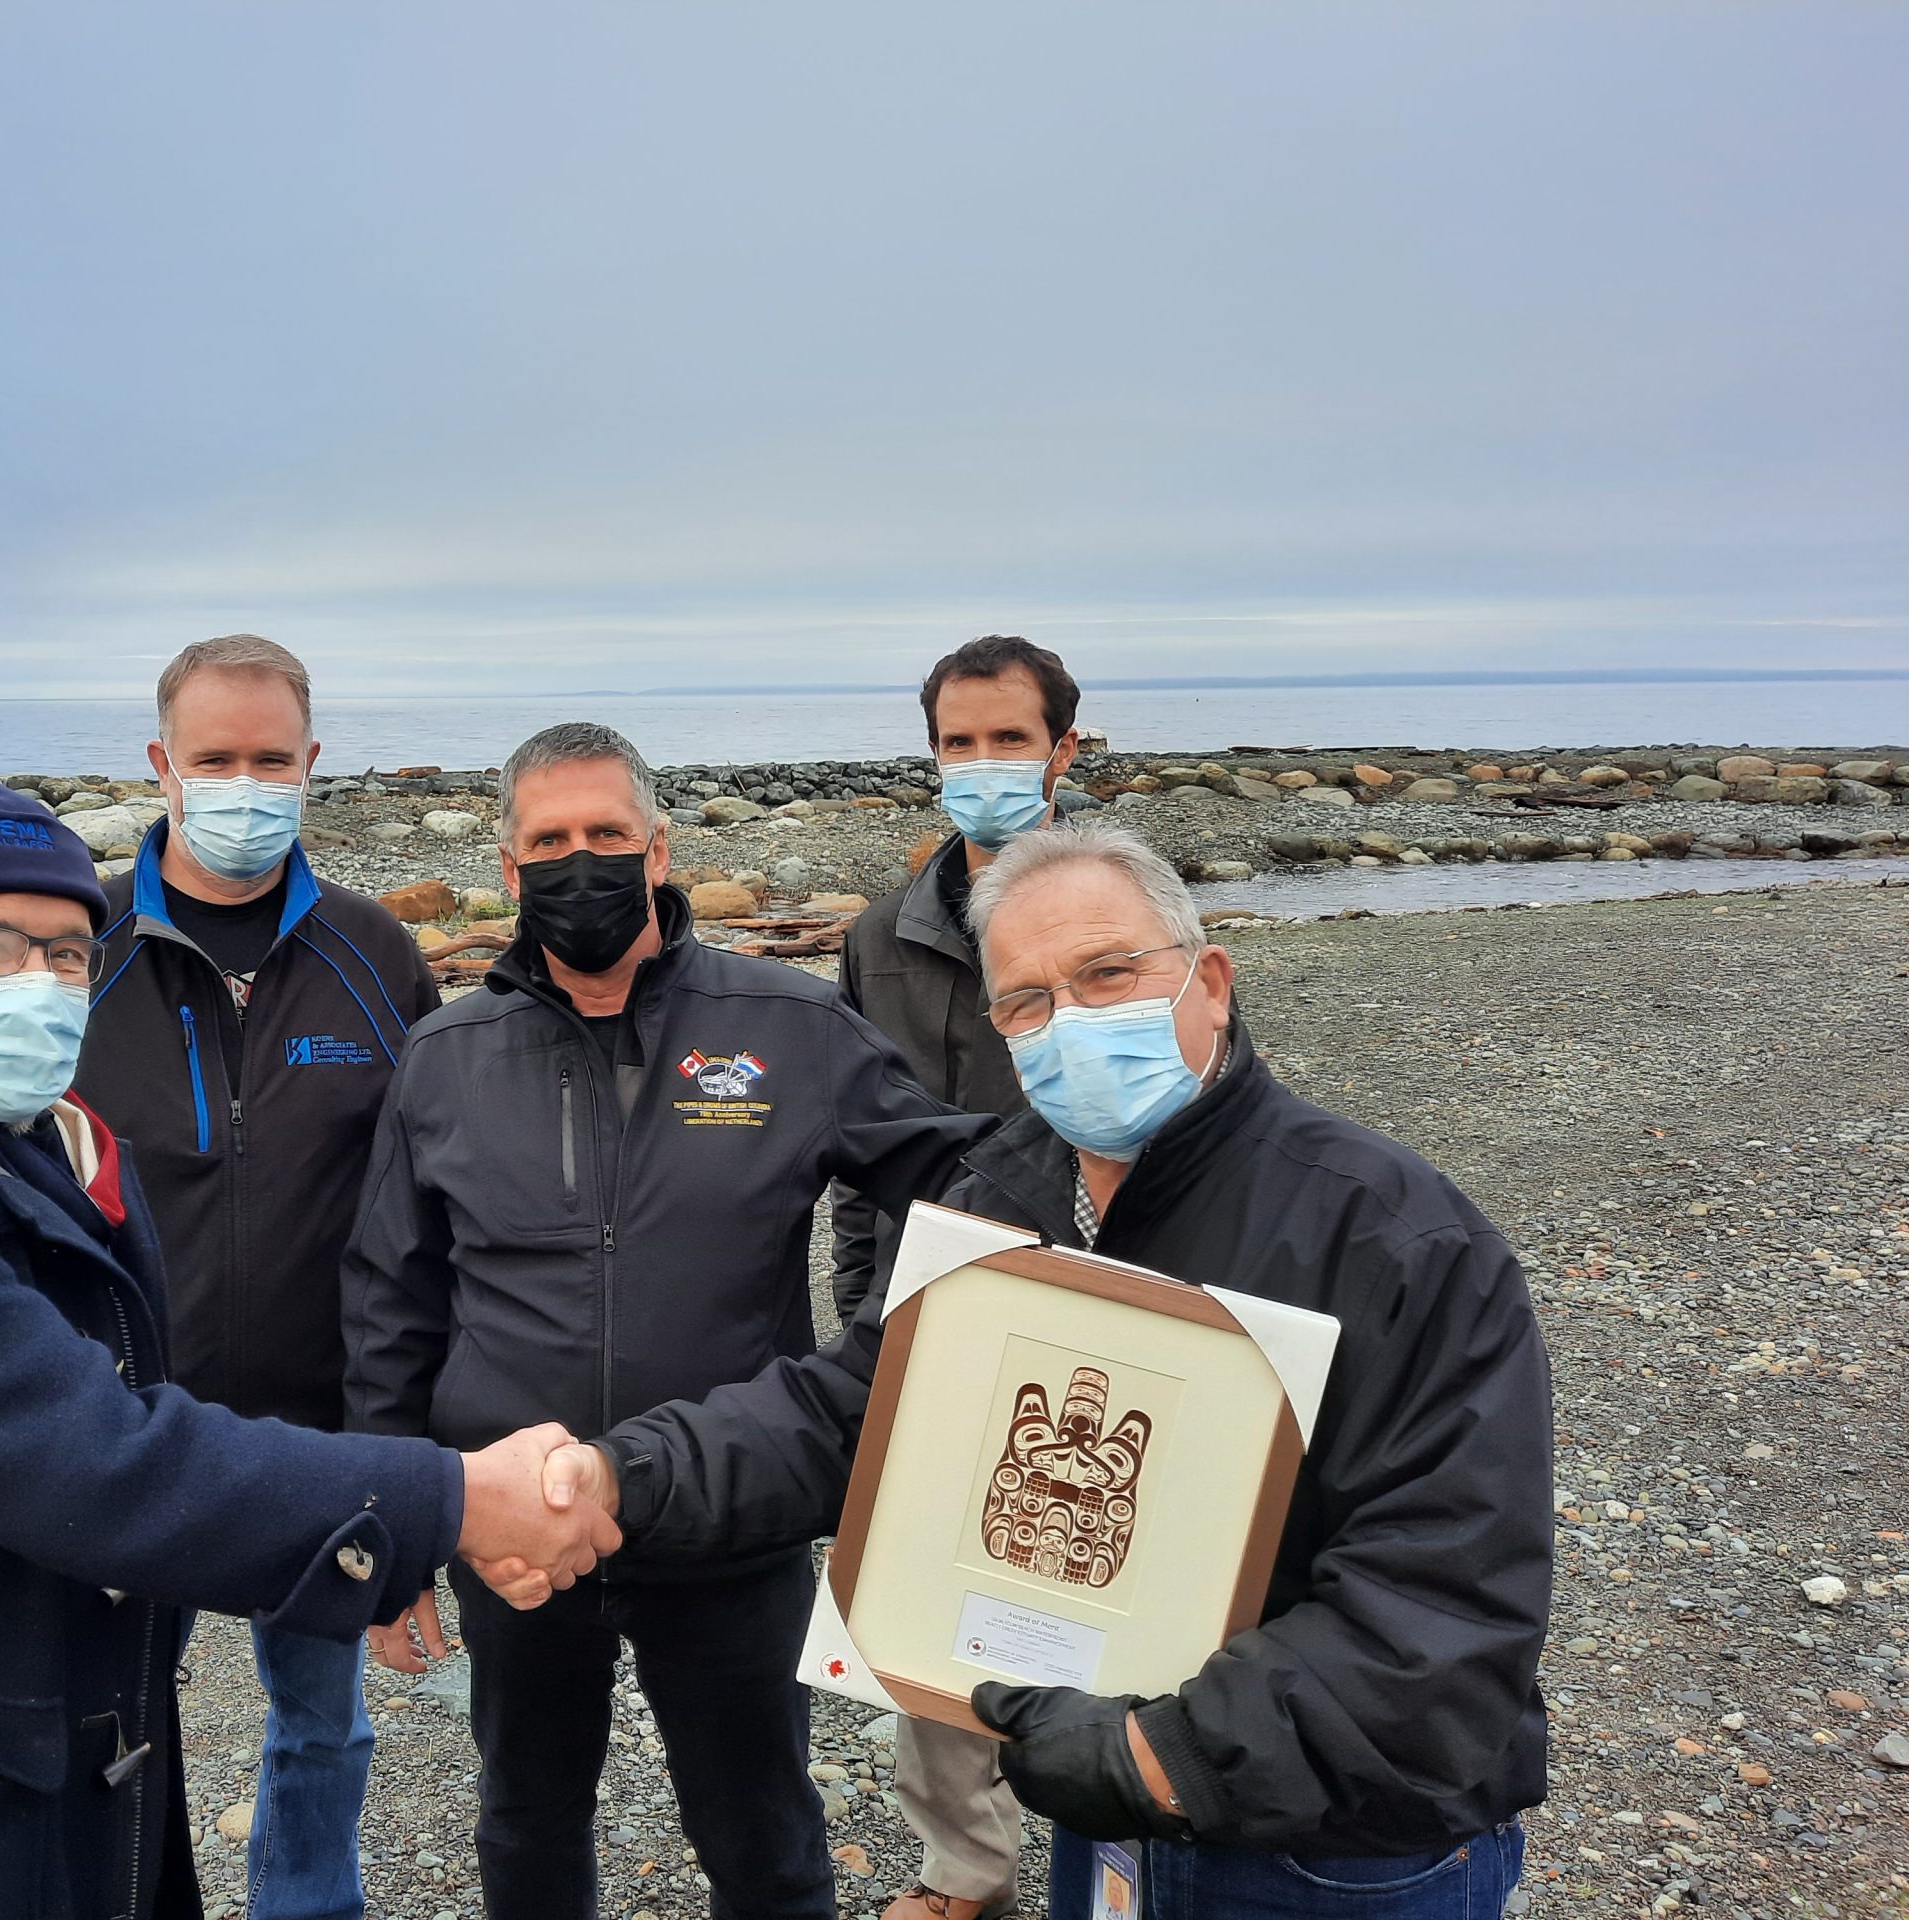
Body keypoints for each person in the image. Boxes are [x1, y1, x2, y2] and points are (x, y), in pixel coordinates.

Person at [0, 775, 616, 1920]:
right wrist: (457, 1498)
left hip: (0, 1776)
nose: (37, 983)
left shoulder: (5, 1144)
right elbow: (97, 1462)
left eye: (68, 953)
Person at [526, 819, 1555, 1920]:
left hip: (1332, 1854)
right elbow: (852, 1414)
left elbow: (1446, 1604)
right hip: (1105, 1816)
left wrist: (1159, 1755)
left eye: (1108, 973)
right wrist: (620, 1477)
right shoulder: (999, 1197)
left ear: (1209, 981)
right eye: (1026, 1002)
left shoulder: (1393, 1239)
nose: (1069, 1021)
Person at [341, 722, 994, 1920]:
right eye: (549, 840)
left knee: (762, 1829)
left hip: (728, 1508)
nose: (577, 861)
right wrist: (393, 1534)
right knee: (527, 1818)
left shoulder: (785, 1025)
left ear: (658, 848)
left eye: (606, 834)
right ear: (505, 865)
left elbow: (964, 1179)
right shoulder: (445, 1055)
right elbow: (391, 1299)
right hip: (516, 1517)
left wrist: (887, 1362)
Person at [74, 635, 439, 1920]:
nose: (243, 782)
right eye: (215, 758)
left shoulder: (376, 954)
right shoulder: (80, 952)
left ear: (311, 764)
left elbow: (429, 1201)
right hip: (125, 1429)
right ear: (161, 764)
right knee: (104, 1721)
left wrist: (415, 1450)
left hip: (321, 1433)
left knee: (323, 1730)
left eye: (269, 759)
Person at [830, 635, 1086, 1920]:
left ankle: (1119, 1846)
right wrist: (860, 1309)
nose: (983, 766)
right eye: (958, 743)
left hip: (1101, 1309)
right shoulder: (879, 937)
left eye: (1009, 740)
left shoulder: (1125, 920)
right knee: (930, 1604)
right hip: (928, 1314)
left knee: (1105, 1589)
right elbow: (853, 1150)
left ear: (1064, 752)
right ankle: (964, 1873)